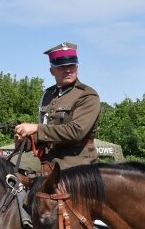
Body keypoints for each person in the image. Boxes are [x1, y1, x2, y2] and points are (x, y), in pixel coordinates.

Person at [14, 42, 101, 173]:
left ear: (77, 67)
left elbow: (76, 131)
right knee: (8, 170)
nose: (68, 70)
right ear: (51, 71)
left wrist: (36, 128)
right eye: (61, 67)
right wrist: (26, 139)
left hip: (77, 163)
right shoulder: (48, 95)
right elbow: (47, 133)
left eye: (71, 65)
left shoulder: (87, 95)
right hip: (48, 158)